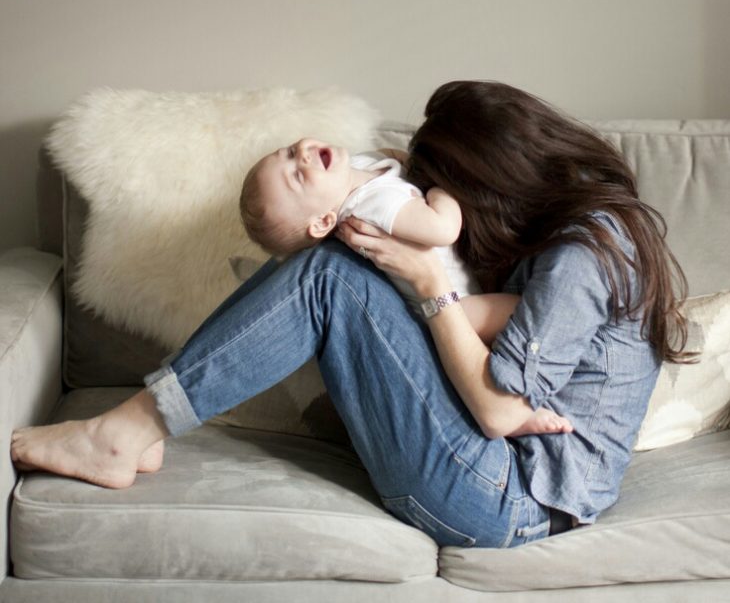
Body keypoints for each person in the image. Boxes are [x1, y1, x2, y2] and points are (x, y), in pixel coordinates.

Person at [10, 80, 692, 548]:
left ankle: (126, 432)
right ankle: (149, 417)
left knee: (329, 277)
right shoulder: (574, 235)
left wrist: (429, 279)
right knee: (336, 260)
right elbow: (504, 323)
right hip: (493, 464)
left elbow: (500, 413)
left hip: (507, 500)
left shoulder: (584, 252)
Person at [239, 139, 573, 436]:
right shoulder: (371, 209)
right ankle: (519, 416)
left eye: (288, 152)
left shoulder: (358, 169)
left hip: (458, 291)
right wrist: (440, 187)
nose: (302, 156)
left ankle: (525, 399)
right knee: (528, 311)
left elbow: (392, 159)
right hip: (453, 307)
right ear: (324, 222)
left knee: (514, 341)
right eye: (297, 176)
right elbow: (444, 228)